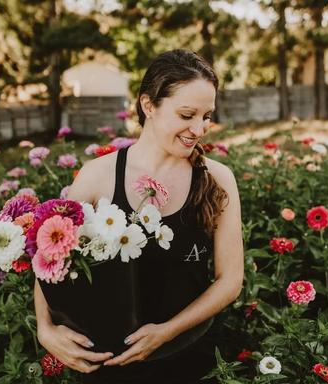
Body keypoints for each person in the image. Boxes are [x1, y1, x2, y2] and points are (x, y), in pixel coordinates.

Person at [34, 49, 244, 384]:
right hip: (109, 366)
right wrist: (46, 328)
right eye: (187, 114)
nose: (200, 128)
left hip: (190, 358)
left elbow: (230, 280)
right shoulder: (96, 176)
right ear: (149, 106)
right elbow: (51, 258)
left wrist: (166, 332)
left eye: (206, 116)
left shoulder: (218, 180)